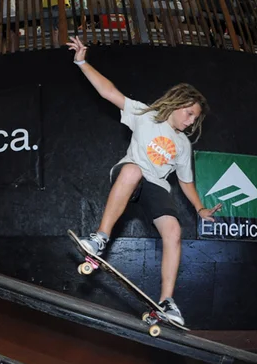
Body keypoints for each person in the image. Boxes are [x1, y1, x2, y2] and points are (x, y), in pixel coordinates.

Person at [67, 36, 221, 326]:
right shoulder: (145, 115)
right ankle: (100, 239)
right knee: (134, 170)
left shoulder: (184, 145)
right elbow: (108, 92)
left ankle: (166, 302)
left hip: (157, 187)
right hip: (130, 173)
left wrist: (200, 209)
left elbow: (186, 183)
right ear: (179, 103)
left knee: (174, 230)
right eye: (189, 114)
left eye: (194, 119)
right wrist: (82, 62)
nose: (190, 122)